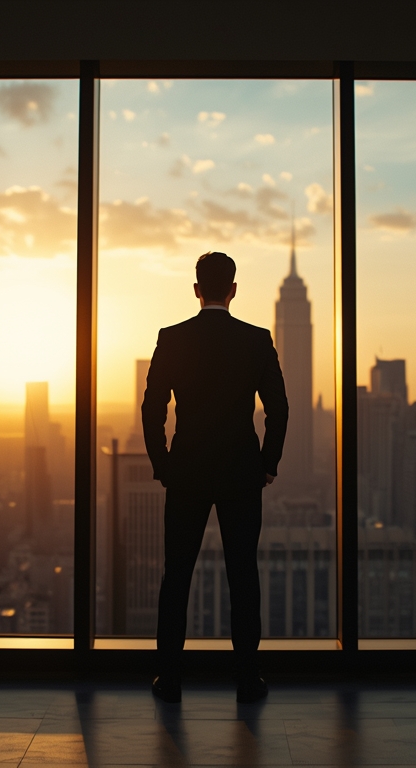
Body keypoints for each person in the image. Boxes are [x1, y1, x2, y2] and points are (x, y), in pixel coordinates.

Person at [142, 251, 289, 704]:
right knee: (243, 576)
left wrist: (163, 463)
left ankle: (169, 680)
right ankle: (248, 679)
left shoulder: (172, 338)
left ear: (196, 289)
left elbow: (152, 408)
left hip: (185, 472)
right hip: (242, 473)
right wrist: (268, 463)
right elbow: (278, 408)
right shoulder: (257, 339)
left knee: (176, 576)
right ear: (234, 289)